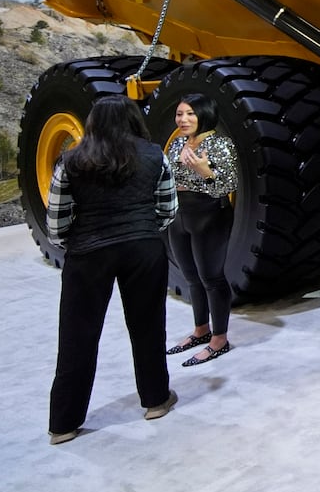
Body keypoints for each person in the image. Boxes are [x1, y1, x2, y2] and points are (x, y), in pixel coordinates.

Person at [46, 95, 179, 444]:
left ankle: (63, 424)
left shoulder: (71, 159)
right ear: (133, 120)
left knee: (77, 337)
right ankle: (155, 401)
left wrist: (76, 244)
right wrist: (143, 230)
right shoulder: (154, 154)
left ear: (93, 123)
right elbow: (167, 209)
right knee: (148, 327)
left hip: (88, 253)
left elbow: (56, 224)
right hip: (143, 249)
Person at [162, 93, 239, 366]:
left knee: (212, 277)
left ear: (204, 114)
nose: (183, 119)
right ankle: (200, 330)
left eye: (189, 114)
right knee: (190, 276)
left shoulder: (220, 144)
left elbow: (228, 187)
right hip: (180, 215)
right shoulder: (178, 144)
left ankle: (219, 339)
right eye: (180, 114)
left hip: (209, 215)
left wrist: (206, 172)